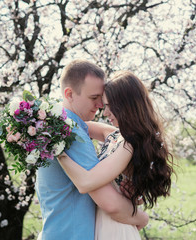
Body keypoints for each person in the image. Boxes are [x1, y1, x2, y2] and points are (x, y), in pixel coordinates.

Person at [35, 61, 149, 240]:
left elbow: (114, 135)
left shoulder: (58, 128)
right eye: (93, 98)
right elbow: (110, 203)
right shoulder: (71, 134)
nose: (101, 105)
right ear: (69, 94)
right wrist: (142, 217)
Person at [58, 70, 175, 240]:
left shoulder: (129, 144)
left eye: (109, 106)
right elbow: (76, 122)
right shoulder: (114, 135)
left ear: (126, 106)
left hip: (115, 229)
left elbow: (85, 183)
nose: (105, 113)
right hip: (104, 224)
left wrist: (57, 151)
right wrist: (41, 118)